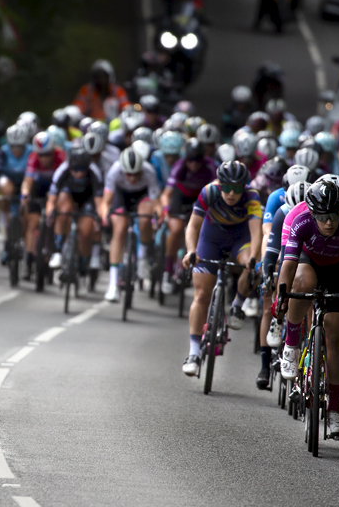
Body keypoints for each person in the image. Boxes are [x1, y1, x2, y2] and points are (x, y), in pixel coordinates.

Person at [276, 179, 339, 438]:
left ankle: (333, 410)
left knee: (335, 332)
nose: (329, 222)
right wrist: (280, 298)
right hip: (310, 262)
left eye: (333, 216)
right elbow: (288, 267)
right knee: (301, 281)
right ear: (312, 213)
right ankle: (291, 345)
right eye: (322, 217)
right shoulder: (301, 221)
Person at [180, 161, 263, 376]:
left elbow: (256, 232)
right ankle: (194, 352)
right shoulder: (209, 191)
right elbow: (193, 226)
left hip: (239, 238)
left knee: (252, 263)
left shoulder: (251, 196)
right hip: (211, 239)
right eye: (227, 187)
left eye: (237, 188)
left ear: (244, 186)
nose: (231, 193)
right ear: (220, 184)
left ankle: (238, 304)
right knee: (201, 295)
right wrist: (191, 251)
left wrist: (254, 258)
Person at [256, 178, 310, 388]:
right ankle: (264, 366)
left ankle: (312, 346)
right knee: (270, 299)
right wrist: (268, 273)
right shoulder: (282, 213)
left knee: (309, 292)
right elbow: (271, 246)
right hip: (286, 256)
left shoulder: (317, 217)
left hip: (307, 258)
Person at [101, 147, 161, 302]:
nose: (132, 178)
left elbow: (155, 201)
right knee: (119, 229)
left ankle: (142, 256)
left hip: (142, 196)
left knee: (145, 218)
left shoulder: (149, 171)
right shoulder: (115, 171)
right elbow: (106, 200)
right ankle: (113, 284)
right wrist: (104, 215)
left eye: (136, 174)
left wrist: (159, 216)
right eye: (128, 174)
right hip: (122, 196)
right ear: (123, 170)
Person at [160, 138, 217, 295]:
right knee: (176, 229)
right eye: (190, 161)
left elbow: (216, 193)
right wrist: (165, 209)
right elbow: (167, 193)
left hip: (200, 198)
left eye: (197, 160)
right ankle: (167, 270)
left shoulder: (210, 167)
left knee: (199, 229)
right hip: (181, 197)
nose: (193, 164)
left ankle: (186, 264)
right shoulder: (180, 166)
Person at [46, 145, 104, 271]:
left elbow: (99, 202)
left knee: (85, 232)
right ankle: (58, 251)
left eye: (82, 170)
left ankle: (84, 261)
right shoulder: (62, 170)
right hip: (68, 197)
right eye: (75, 170)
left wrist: (100, 218)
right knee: (62, 208)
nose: (79, 173)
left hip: (87, 199)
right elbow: (52, 198)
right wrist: (50, 213)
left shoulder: (94, 172)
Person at [20, 131, 65, 280]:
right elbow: (28, 180)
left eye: (47, 154)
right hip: (39, 188)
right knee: (32, 222)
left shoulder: (60, 156)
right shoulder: (33, 157)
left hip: (55, 188)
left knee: (59, 211)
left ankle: (54, 245)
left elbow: (64, 183)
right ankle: (29, 258)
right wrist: (25, 194)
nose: (44, 158)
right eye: (41, 155)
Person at [0, 124, 33, 260]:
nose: (16, 150)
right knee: (3, 186)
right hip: (8, 182)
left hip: (26, 183)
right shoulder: (3, 151)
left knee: (27, 210)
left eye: (19, 147)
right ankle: (4, 220)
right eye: (13, 147)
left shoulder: (32, 152)